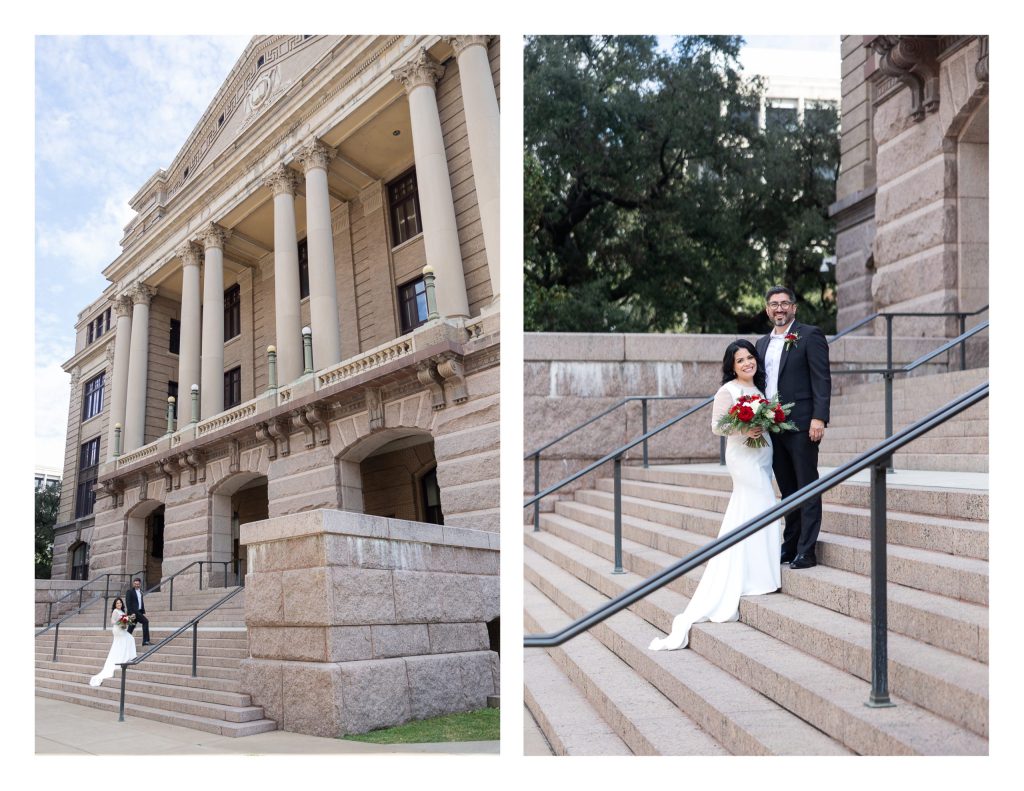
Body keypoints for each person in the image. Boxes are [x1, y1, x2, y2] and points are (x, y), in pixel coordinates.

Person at [649, 340, 782, 651]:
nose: (748, 363)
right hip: (743, 456)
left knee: (758, 507)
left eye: (751, 357)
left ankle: (760, 571)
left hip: (762, 453)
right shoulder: (728, 391)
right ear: (731, 366)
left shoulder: (760, 390)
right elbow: (717, 427)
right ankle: (754, 576)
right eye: (741, 360)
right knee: (760, 502)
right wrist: (743, 430)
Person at [755, 286, 831, 569]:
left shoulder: (810, 335)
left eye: (785, 303)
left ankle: (807, 550)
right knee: (788, 490)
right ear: (767, 309)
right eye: (774, 304)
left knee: (807, 486)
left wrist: (819, 417)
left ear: (794, 308)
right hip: (773, 426)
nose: (779, 308)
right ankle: (790, 545)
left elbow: (821, 378)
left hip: (802, 424)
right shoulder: (761, 344)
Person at [89, 598, 138, 686]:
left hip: (121, 629)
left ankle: (126, 656)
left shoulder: (122, 612)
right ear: (115, 605)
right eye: (117, 603)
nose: (119, 604)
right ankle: (124, 657)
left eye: (120, 603)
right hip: (117, 630)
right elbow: (112, 621)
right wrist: (120, 623)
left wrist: (129, 620)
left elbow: (125, 621)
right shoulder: (115, 611)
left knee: (130, 638)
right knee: (127, 639)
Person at [125, 577, 152, 645]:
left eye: (138, 584)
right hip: (134, 612)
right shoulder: (130, 591)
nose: (136, 585)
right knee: (145, 622)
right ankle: (145, 641)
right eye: (135, 584)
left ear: (140, 584)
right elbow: (128, 603)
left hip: (139, 611)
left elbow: (140, 602)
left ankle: (124, 641)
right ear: (133, 584)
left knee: (131, 627)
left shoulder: (140, 591)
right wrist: (132, 613)